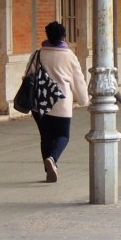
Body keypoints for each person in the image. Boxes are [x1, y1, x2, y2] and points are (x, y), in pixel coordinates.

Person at [33, 21, 88, 183]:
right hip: (60, 103)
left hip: (39, 103)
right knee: (63, 135)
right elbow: (78, 80)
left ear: (47, 36)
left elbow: (28, 74)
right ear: (64, 37)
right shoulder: (69, 56)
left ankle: (48, 170)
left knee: (46, 136)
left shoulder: (38, 53)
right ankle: (52, 159)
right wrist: (84, 100)